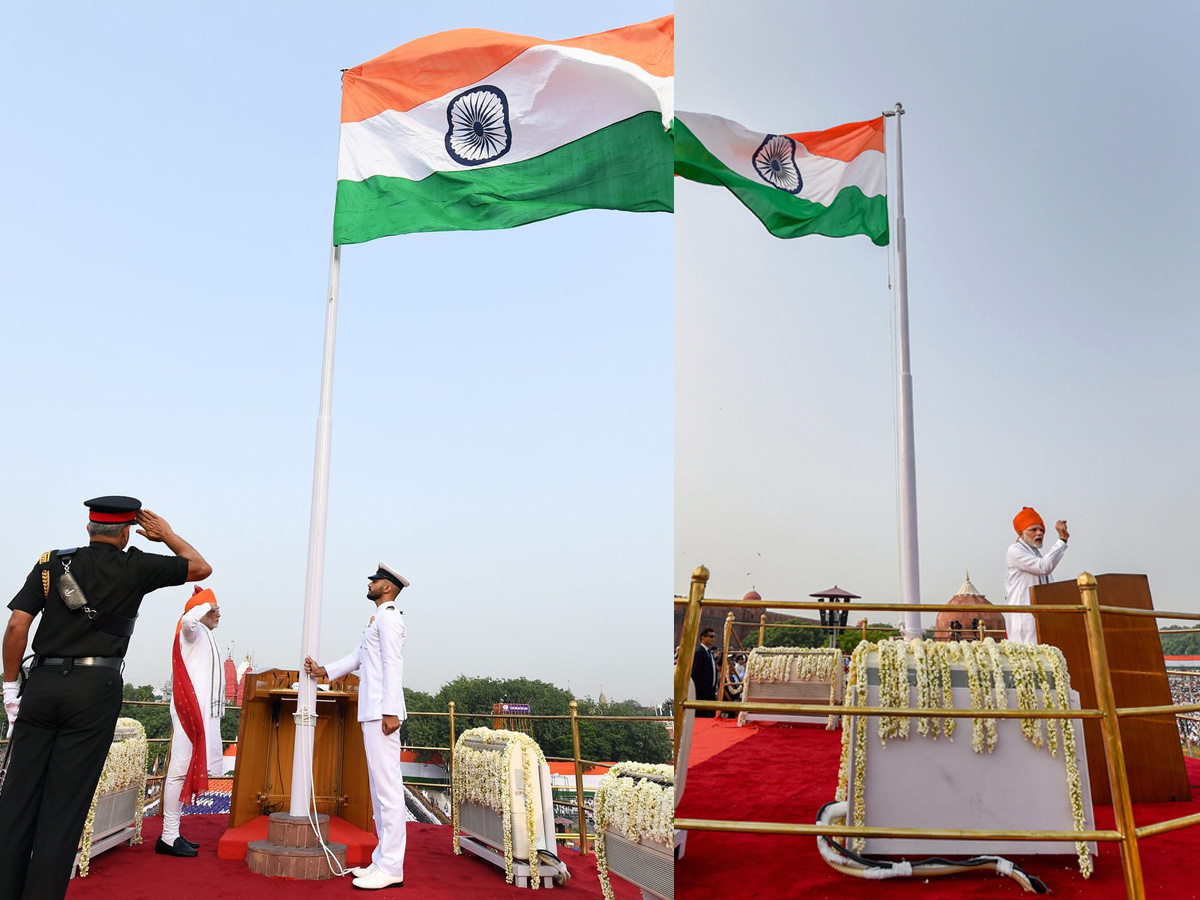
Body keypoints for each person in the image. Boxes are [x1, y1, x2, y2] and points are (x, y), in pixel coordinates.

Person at [0, 496, 210, 900]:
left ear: (88, 528)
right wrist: (166, 535)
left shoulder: (52, 564)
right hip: (95, 690)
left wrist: (11, 689)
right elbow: (200, 566)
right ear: (128, 530)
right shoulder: (137, 565)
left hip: (42, 684)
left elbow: (16, 625)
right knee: (64, 806)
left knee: (17, 798)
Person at [304, 562, 409, 891]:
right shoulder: (377, 619)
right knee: (378, 790)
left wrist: (392, 711)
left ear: (388, 587)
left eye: (376, 579)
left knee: (389, 790)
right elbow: (357, 656)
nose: (371, 582)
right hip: (372, 712)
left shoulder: (391, 618)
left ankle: (393, 865)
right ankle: (382, 858)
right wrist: (324, 671)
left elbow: (394, 663)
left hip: (382, 714)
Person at [158, 586, 226, 858]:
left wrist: (207, 604)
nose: (219, 614)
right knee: (178, 769)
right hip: (190, 712)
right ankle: (168, 835)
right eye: (215, 610)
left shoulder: (205, 635)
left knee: (182, 769)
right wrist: (202, 604)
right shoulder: (192, 630)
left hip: (200, 713)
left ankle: (173, 832)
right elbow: (188, 620)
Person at [1004, 506, 1069, 644]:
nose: (1039, 533)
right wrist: (1062, 541)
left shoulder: (1035, 554)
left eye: (1041, 530)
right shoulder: (1015, 551)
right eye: (1033, 530)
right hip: (1025, 618)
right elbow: (1044, 567)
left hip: (1043, 617)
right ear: (1021, 534)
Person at [690, 628, 717, 717]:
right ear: (703, 637)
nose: (713, 638)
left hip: (710, 690)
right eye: (711, 636)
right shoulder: (699, 653)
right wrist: (698, 694)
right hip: (702, 693)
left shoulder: (709, 653)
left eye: (713, 636)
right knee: (702, 717)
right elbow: (695, 675)